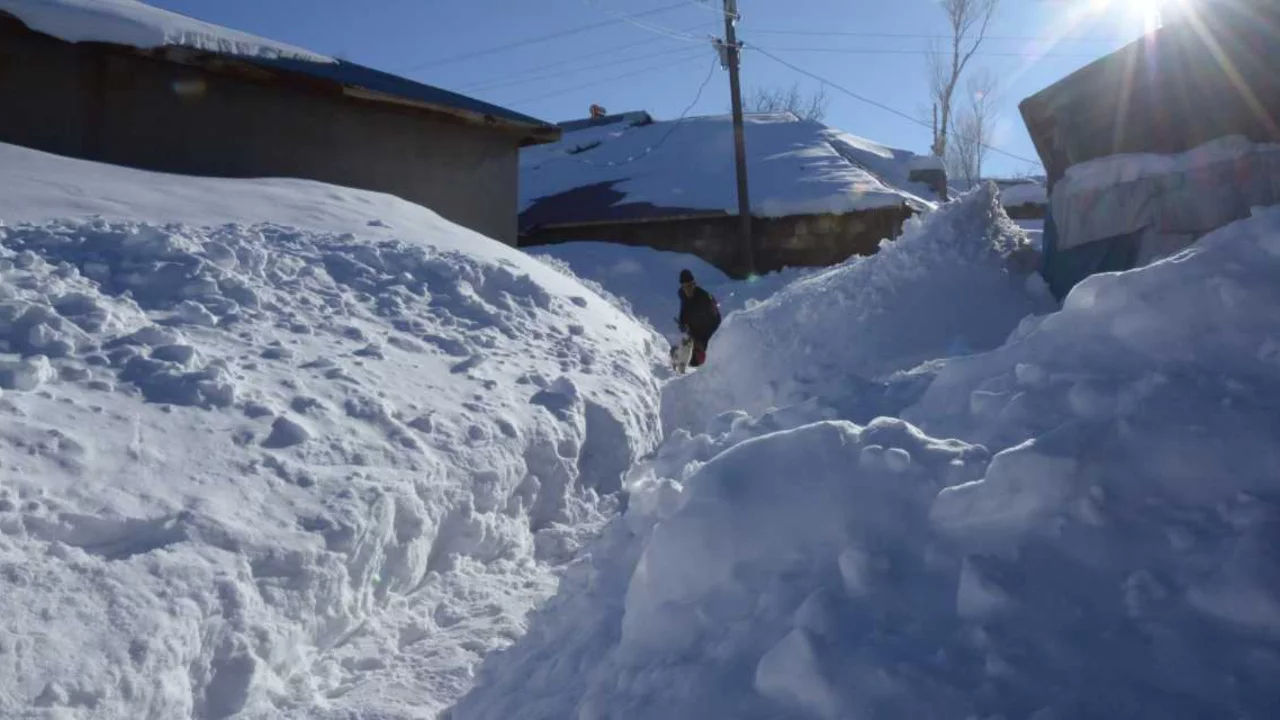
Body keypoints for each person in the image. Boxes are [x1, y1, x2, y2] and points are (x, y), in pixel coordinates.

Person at [676, 268, 721, 368]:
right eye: (686, 286)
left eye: (691, 285)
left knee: (697, 362)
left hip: (708, 330)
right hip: (694, 327)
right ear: (682, 286)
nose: (689, 289)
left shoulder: (705, 298)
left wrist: (702, 341)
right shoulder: (682, 294)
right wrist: (682, 323)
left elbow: (716, 321)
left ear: (695, 284)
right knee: (686, 355)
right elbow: (684, 308)